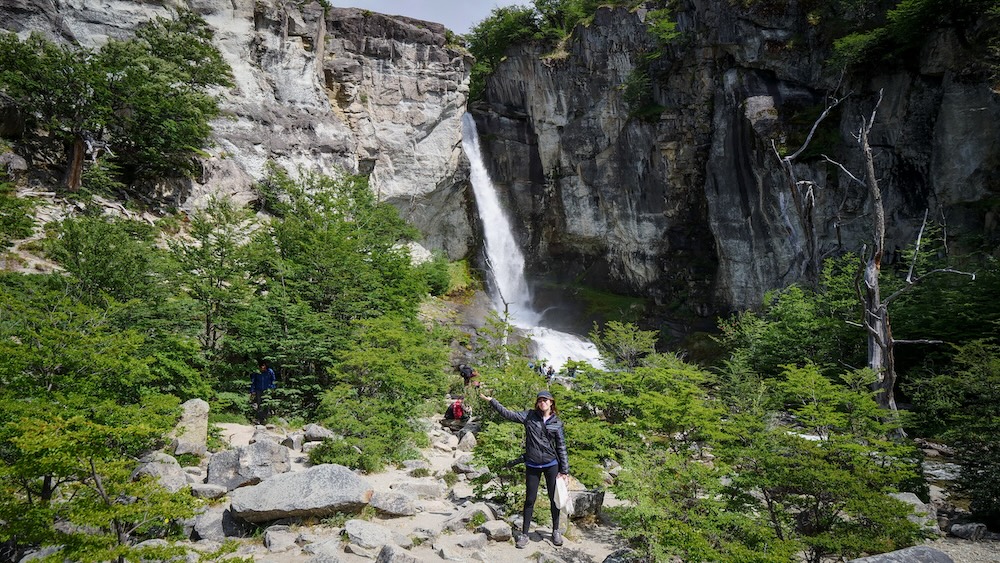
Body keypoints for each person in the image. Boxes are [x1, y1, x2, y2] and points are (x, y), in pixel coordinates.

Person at [479, 388, 569, 548]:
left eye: (546, 400)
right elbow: (508, 414)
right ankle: (525, 534)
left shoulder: (556, 422)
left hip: (551, 464)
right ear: (537, 403)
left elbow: (561, 446)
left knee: (554, 499)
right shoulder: (529, 416)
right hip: (533, 464)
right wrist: (492, 401)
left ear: (551, 402)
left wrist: (564, 471)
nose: (543, 403)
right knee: (529, 500)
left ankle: (556, 531)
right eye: (540, 400)